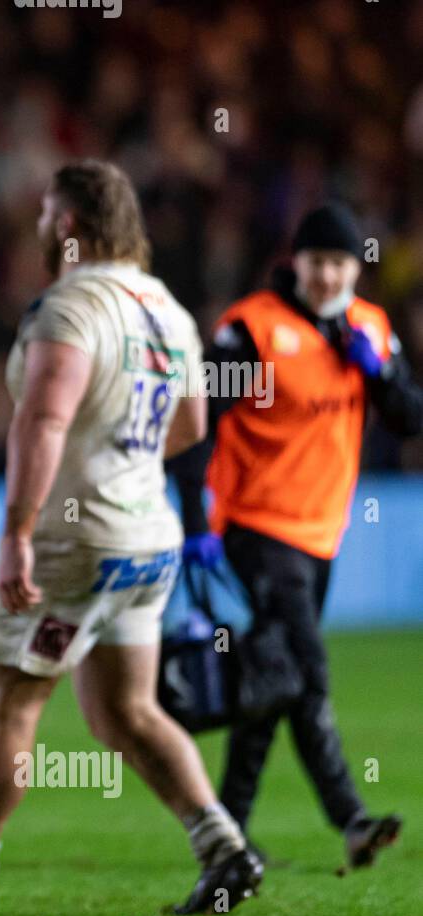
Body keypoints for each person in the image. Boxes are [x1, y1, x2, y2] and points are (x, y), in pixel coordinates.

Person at [0, 160, 262, 916]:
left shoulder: (70, 305)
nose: (41, 226)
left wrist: (16, 533)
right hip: (150, 539)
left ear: (71, 223)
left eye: (48, 213)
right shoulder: (167, 309)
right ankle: (226, 847)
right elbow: (190, 430)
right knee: (127, 712)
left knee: (9, 704)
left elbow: (43, 419)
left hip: (75, 544)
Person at [170, 203, 422, 867]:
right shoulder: (251, 331)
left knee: (271, 680)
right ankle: (351, 817)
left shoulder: (369, 327)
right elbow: (196, 423)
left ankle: (227, 832)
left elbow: (410, 419)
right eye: (318, 263)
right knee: (306, 672)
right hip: (257, 528)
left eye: (341, 264)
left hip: (321, 536)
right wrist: (195, 521)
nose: (329, 276)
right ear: (297, 262)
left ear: (356, 269)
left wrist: (383, 372)